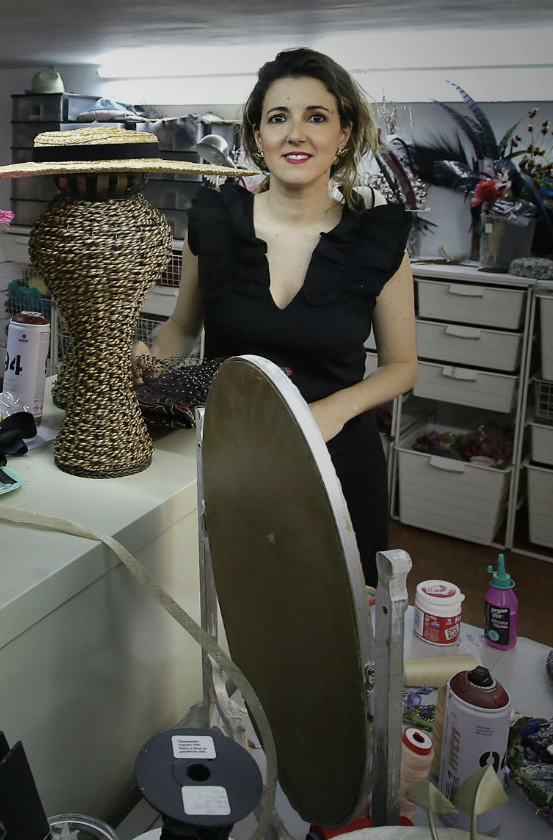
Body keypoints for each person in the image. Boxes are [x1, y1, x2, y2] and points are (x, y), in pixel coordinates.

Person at [133, 48, 418, 586]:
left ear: (343, 135)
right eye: (278, 118)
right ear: (258, 136)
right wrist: (149, 358)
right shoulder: (214, 223)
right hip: (238, 459)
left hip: (340, 466)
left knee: (341, 631)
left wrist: (332, 410)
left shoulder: (378, 239)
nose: (296, 134)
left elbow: (402, 365)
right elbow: (182, 328)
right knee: (240, 613)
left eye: (316, 117)